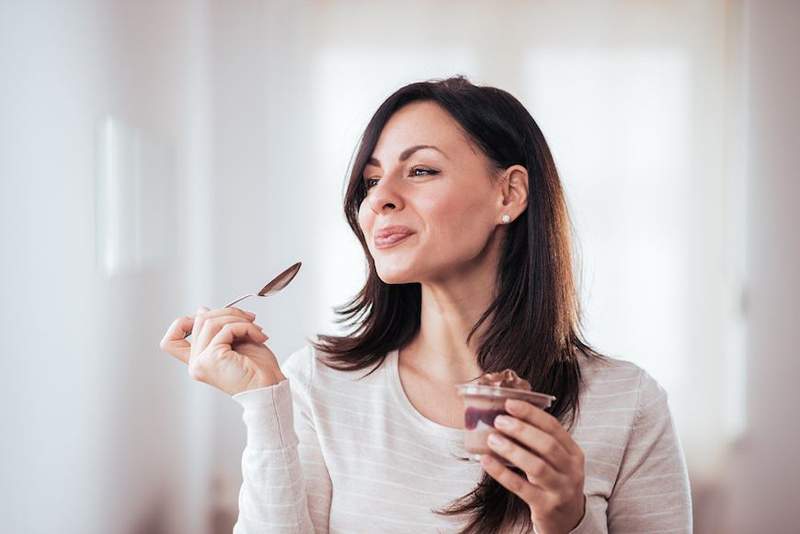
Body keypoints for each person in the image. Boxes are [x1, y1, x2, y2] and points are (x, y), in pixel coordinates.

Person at [161, 76, 693, 534]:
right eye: (371, 180)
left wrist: (568, 520)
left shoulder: (628, 404)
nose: (379, 198)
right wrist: (263, 405)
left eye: (420, 171)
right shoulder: (316, 385)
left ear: (508, 194)